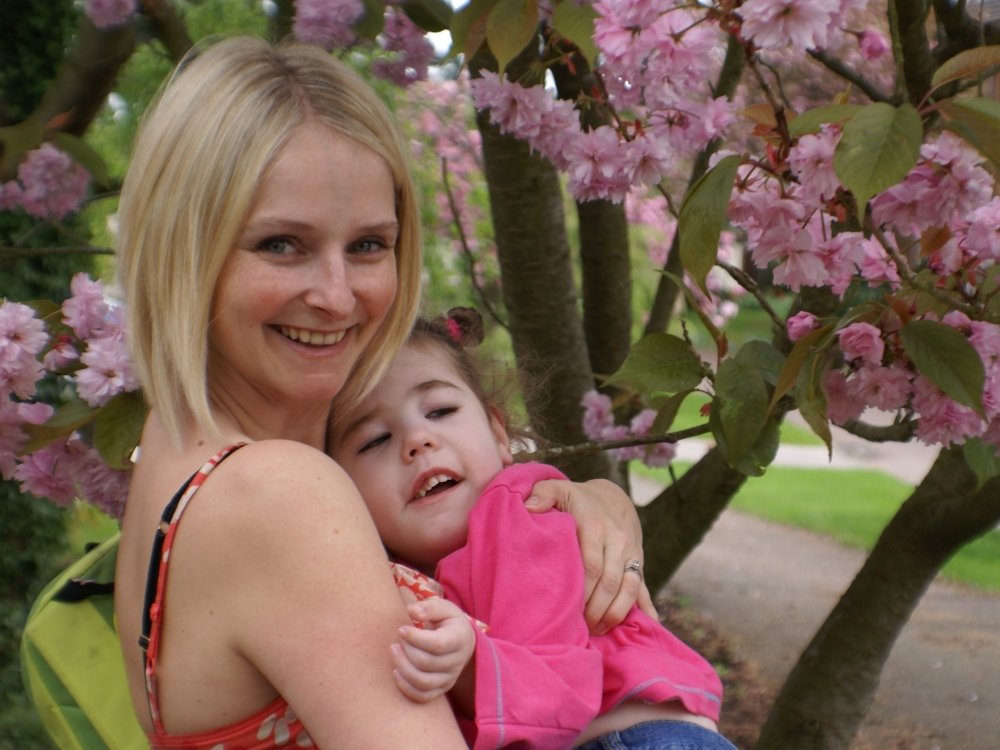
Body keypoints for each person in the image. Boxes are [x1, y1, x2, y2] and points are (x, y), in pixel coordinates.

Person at [112, 36, 650, 749]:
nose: (337, 298)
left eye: (368, 246)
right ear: (186, 249)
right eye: (281, 244)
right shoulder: (279, 492)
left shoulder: (182, 444)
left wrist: (593, 507)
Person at [328, 311, 738, 750]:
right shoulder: (383, 574)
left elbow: (559, 685)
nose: (417, 439)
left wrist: (468, 663)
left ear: (499, 433)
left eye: (441, 410)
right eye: (374, 439)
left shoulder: (522, 515)